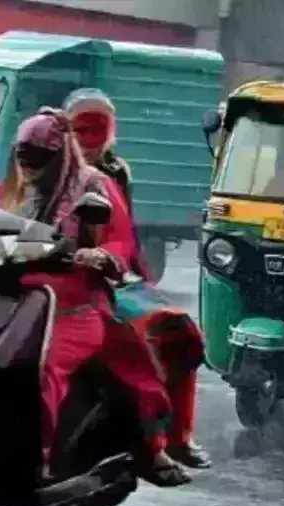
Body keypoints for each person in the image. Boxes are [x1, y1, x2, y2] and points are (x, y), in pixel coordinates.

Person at [0, 108, 192, 488]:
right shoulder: (7, 189)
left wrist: (101, 255)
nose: (28, 165)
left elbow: (120, 240)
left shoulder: (95, 186)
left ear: (61, 153)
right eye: (23, 155)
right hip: (7, 300)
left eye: (39, 157)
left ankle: (36, 458)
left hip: (72, 302)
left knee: (40, 366)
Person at [64, 88, 211, 469]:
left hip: (103, 275)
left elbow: (121, 230)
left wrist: (113, 262)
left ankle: (174, 435)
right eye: (80, 129)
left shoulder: (113, 175)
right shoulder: (43, 167)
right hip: (47, 272)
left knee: (177, 331)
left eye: (98, 129)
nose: (88, 140)